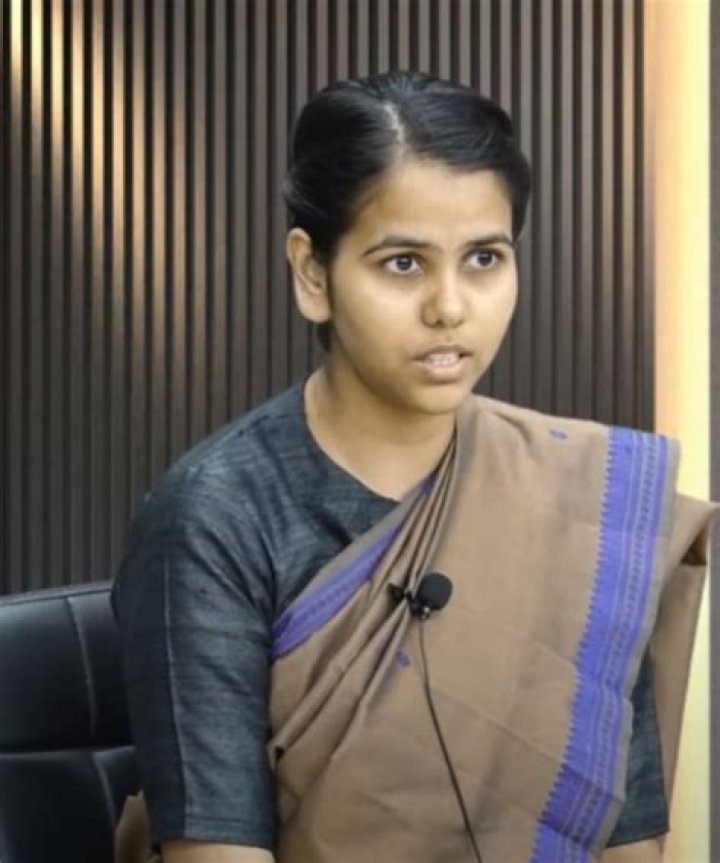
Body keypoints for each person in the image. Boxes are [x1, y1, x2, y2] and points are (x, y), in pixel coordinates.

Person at [112, 71, 717, 863]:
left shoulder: (583, 501)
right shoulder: (216, 514)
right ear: (312, 273)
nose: (450, 307)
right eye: (403, 263)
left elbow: (627, 843)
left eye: (484, 258)